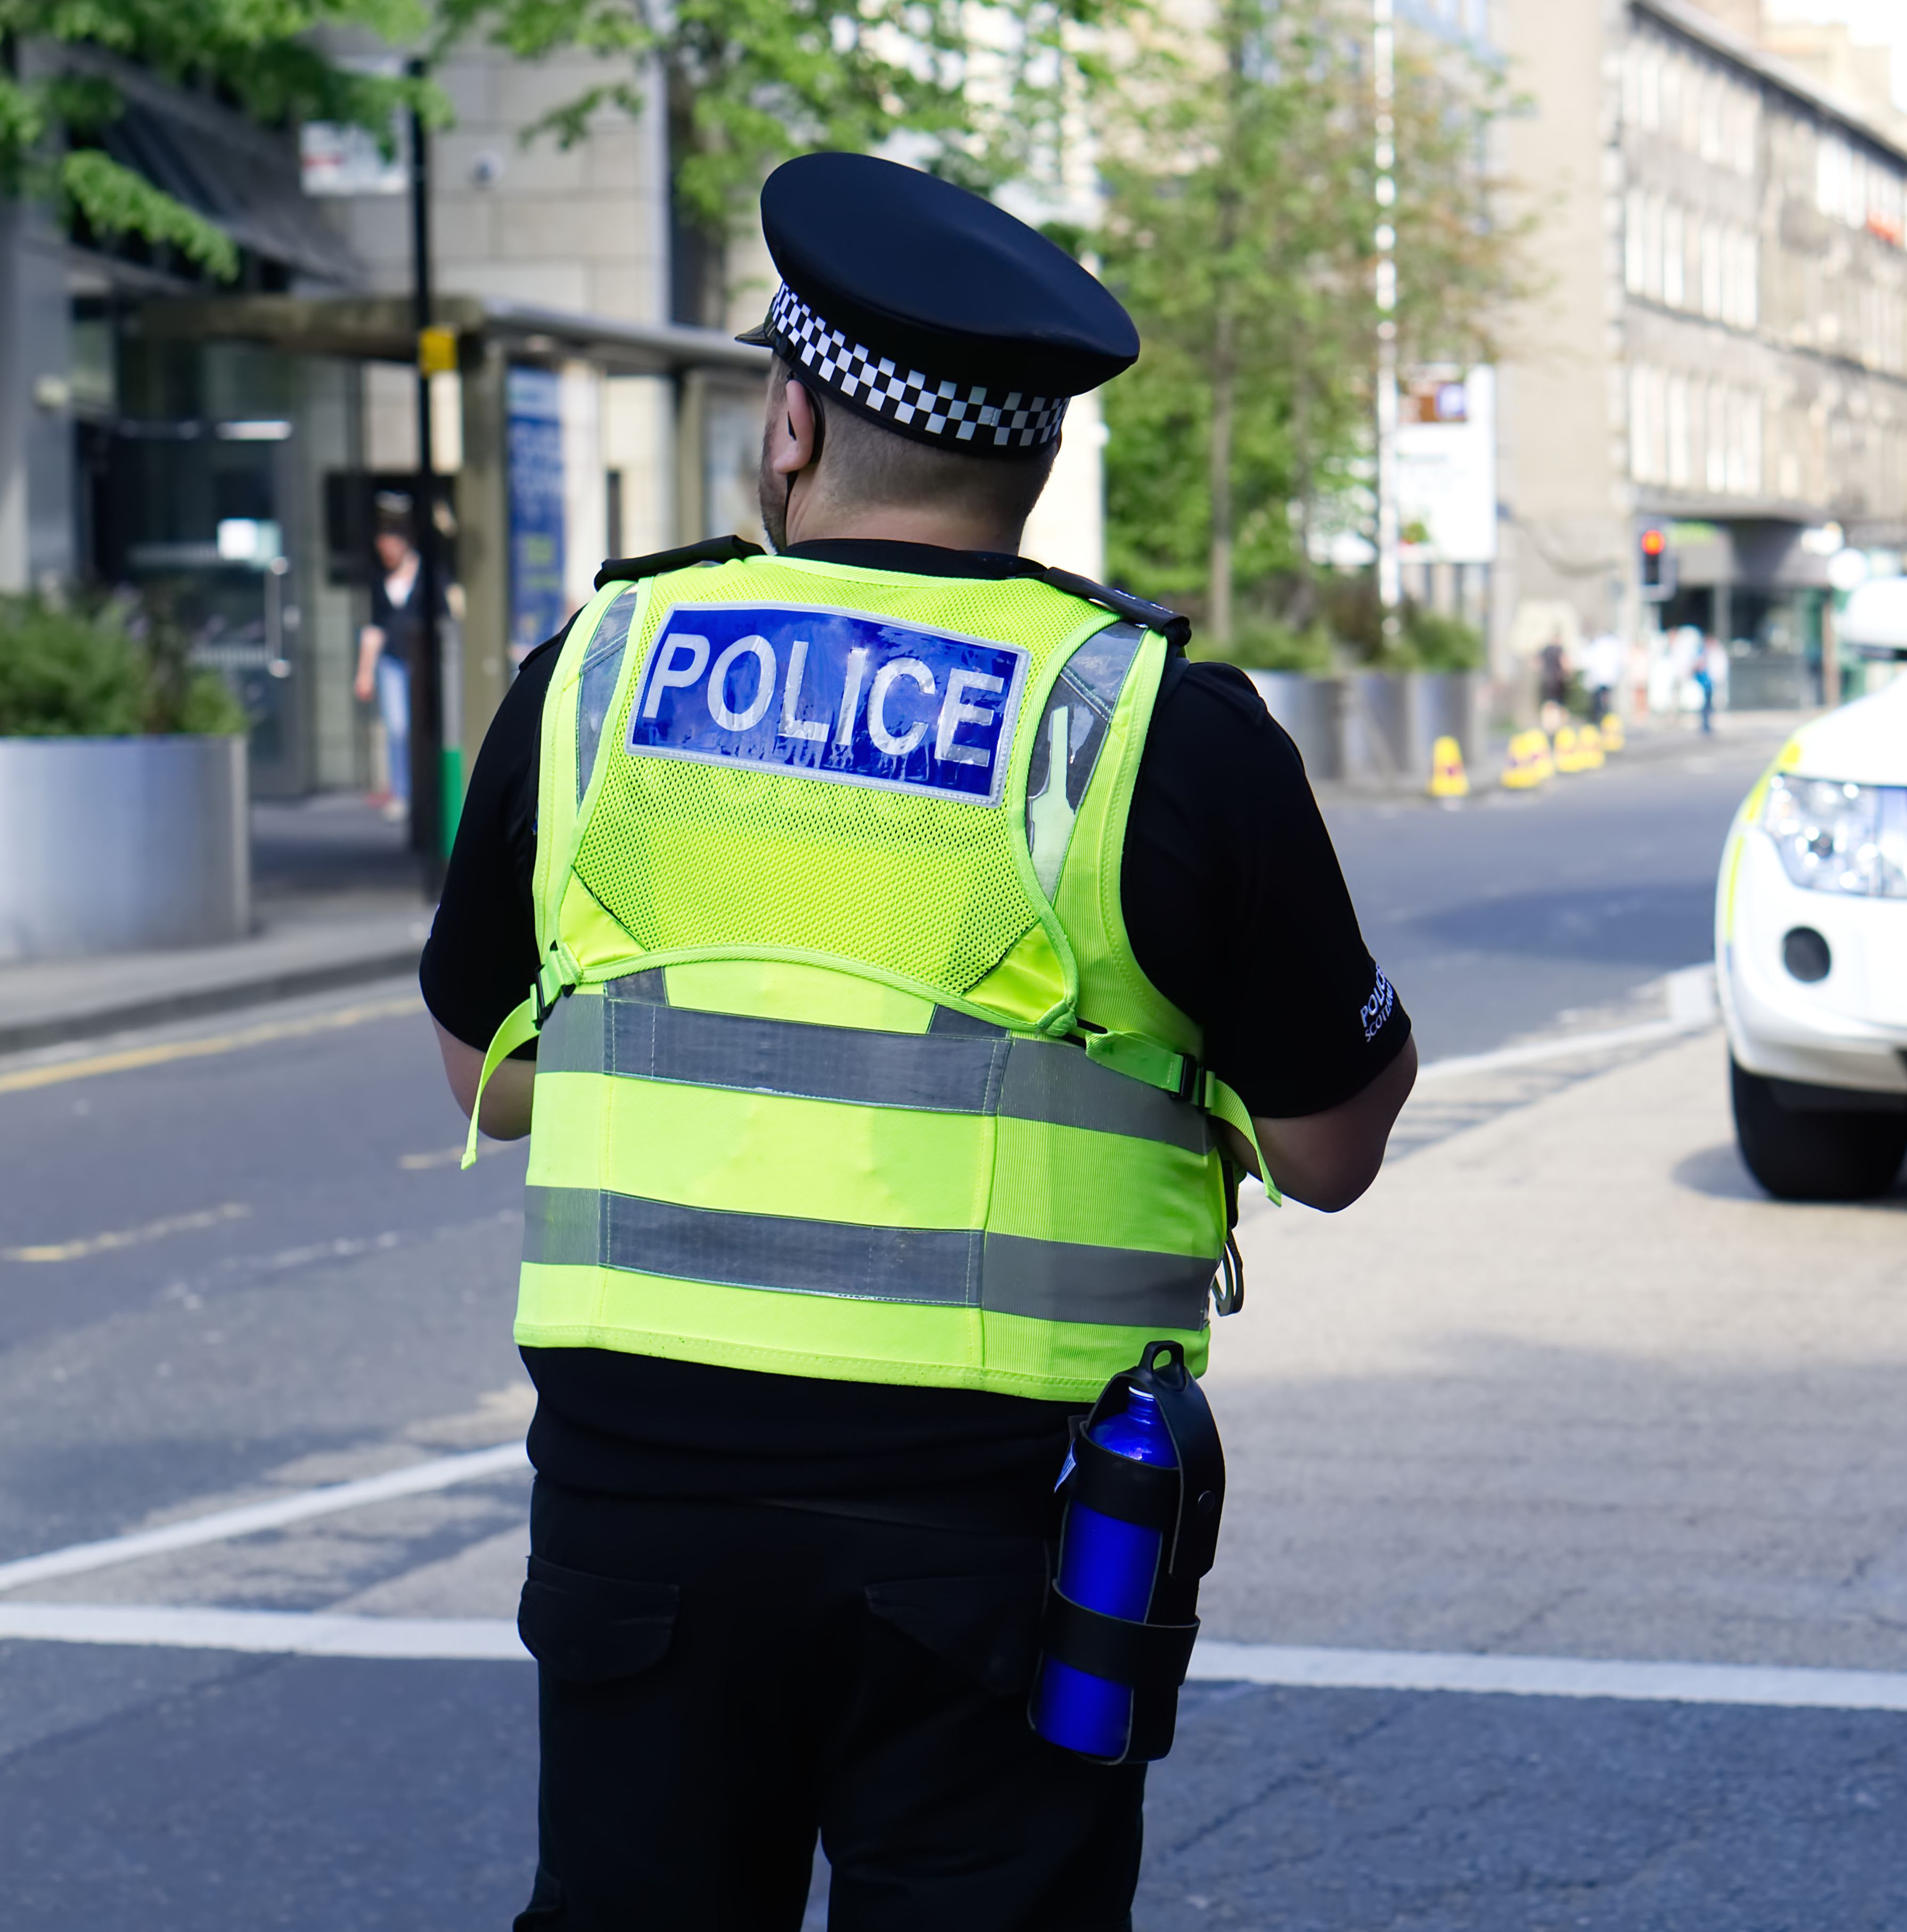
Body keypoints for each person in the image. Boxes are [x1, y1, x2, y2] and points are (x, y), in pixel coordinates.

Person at [417, 152, 1418, 1931]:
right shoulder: (1155, 729)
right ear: (1029, 460)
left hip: (636, 1501)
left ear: (789, 426)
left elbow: (480, 1065)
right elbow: (1332, 1148)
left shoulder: (593, 668)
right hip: (1000, 1523)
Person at [350, 493, 425, 817]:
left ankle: (424, 790)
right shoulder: (380, 580)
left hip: (423, 663)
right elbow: (374, 628)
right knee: (398, 726)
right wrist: (364, 672)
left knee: (420, 726)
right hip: (394, 660)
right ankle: (403, 791)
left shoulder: (427, 573)